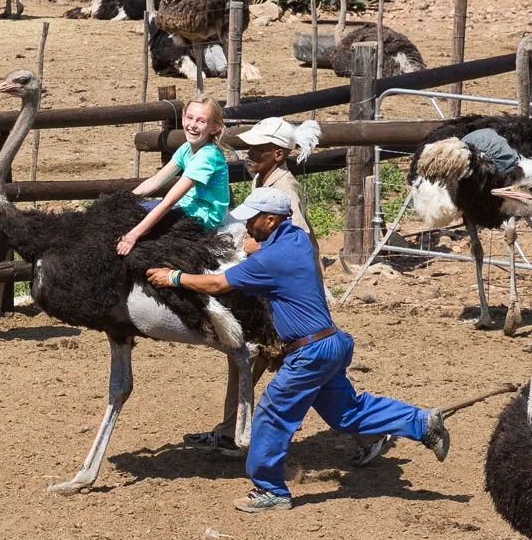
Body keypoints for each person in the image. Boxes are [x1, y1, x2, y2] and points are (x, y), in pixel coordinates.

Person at [147, 186, 450, 513]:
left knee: (271, 414)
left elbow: (219, 284)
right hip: (330, 343)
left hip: (309, 353)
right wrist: (259, 244)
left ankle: (270, 490)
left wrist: (175, 277)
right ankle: (420, 422)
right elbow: (272, 249)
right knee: (347, 412)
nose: (247, 225)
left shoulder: (271, 258)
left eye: (253, 220)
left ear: (272, 219)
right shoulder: (297, 241)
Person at [182, 115, 386, 467]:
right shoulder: (265, 178)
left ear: (278, 154)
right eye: (248, 148)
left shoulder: (283, 187)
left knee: (300, 367)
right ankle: (231, 431)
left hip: (286, 296)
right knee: (270, 361)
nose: (249, 153)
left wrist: (251, 253)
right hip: (276, 292)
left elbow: (298, 243)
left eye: (257, 149)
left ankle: (368, 432)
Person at [116, 94, 229, 255]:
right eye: (190, 118)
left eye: (201, 121)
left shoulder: (207, 157)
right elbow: (155, 181)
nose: (193, 125)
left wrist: (133, 235)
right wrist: (125, 201)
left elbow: (169, 201)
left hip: (203, 217)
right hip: (187, 207)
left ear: (215, 128)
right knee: (131, 212)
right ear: (183, 118)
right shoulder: (186, 149)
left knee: (138, 223)